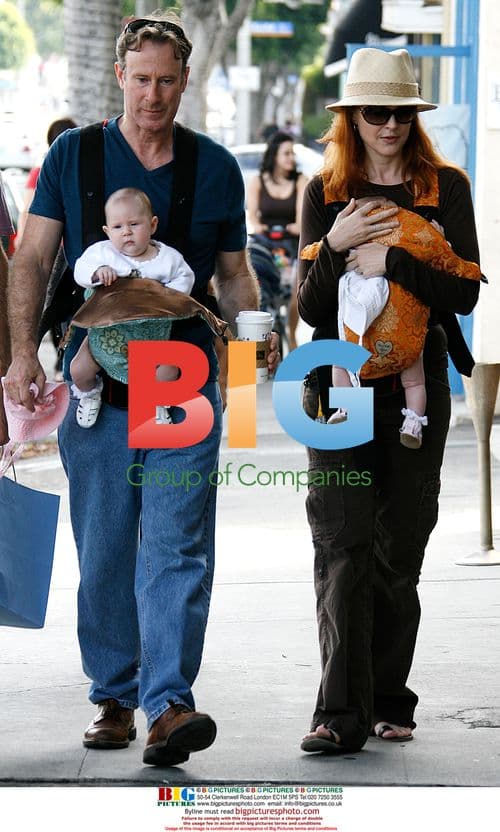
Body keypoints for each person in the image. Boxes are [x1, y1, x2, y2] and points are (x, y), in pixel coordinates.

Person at [5, 11, 277, 767]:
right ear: (120, 77)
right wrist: (23, 355)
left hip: (183, 383)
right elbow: (30, 259)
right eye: (142, 79)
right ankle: (114, 694)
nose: (153, 95)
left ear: (186, 81)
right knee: (106, 548)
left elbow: (233, 274)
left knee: (177, 545)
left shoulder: (216, 166)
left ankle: (168, 704)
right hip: (98, 384)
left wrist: (250, 374)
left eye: (168, 80)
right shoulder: (72, 156)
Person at [297, 47, 481, 753]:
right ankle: (337, 714)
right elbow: (313, 312)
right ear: (351, 117)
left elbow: (462, 292)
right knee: (341, 544)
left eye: (402, 111)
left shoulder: (446, 188)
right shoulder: (325, 192)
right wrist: (338, 247)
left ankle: (388, 697)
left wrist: (394, 261)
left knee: (399, 547)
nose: (390, 124)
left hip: (416, 383)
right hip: (337, 380)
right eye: (376, 112)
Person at [71, 187, 195, 428]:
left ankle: (158, 401)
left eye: (135, 224)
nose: (126, 232)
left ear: (153, 225)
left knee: (169, 370)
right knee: (79, 369)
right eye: (118, 227)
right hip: (106, 333)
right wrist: (97, 273)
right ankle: (90, 394)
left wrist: (167, 295)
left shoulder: (167, 258)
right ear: (107, 231)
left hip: (151, 336)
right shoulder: (101, 253)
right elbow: (80, 270)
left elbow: (185, 277)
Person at [247, 130, 308, 350]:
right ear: (274, 156)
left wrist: (295, 227)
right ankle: (249, 357)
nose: (291, 157)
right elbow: (253, 216)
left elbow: (303, 218)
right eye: (286, 153)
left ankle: (291, 335)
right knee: (251, 283)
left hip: (291, 245)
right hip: (264, 243)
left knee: (293, 291)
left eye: (293, 153)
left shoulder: (301, 181)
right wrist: (259, 225)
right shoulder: (258, 181)